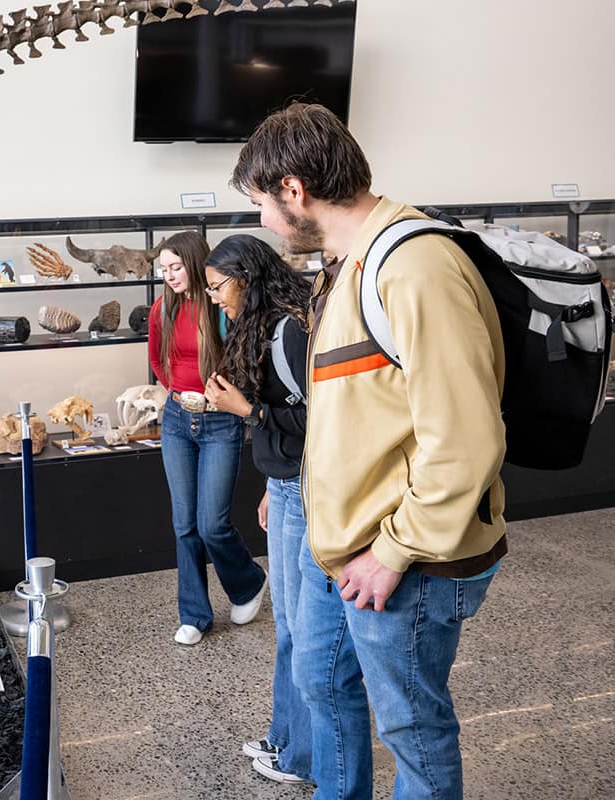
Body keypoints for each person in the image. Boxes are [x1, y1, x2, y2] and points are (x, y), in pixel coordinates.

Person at [230, 102, 507, 799]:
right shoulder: (346, 266)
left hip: (405, 560)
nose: (263, 221)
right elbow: (356, 411)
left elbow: (465, 436)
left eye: (262, 202)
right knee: (319, 678)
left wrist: (392, 551)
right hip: (351, 544)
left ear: (294, 190)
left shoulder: (413, 266)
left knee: (411, 732)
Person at [202, 235, 313, 787]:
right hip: (287, 485)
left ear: (245, 276)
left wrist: (245, 409)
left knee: (299, 629)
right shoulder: (263, 326)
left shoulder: (290, 330)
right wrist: (272, 483)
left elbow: (319, 422)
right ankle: (284, 736)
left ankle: (299, 757)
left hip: (307, 491)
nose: (216, 298)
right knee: (290, 629)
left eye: (219, 286)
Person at [148, 230, 267, 647]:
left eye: (176, 267)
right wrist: (180, 394)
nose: (170, 276)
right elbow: (157, 361)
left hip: (220, 422)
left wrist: (216, 398)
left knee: (212, 524)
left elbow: (245, 362)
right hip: (179, 420)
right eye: (164, 270)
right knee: (185, 525)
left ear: (196, 264)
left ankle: (248, 581)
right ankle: (195, 615)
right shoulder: (162, 309)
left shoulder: (223, 308)